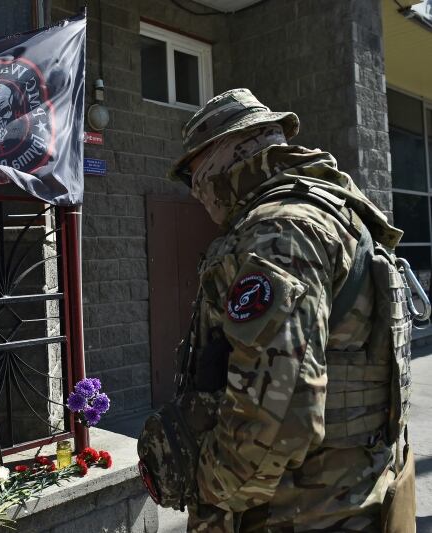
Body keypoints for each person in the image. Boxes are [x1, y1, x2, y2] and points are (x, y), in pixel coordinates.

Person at [162, 88, 410, 531]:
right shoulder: (334, 213)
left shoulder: (280, 231)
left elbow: (277, 417)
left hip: (296, 513)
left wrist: (205, 488)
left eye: (194, 174)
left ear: (226, 155)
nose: (196, 191)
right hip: (347, 499)